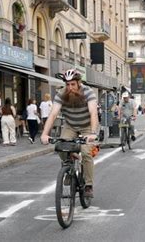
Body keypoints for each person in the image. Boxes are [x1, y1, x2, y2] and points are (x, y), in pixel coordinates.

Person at [40, 69, 98, 198]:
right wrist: (44, 134)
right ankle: (68, 168)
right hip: (70, 125)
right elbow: (53, 114)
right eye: (67, 84)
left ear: (79, 83)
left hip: (87, 126)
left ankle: (88, 185)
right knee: (61, 146)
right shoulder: (61, 94)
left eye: (73, 84)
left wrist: (93, 133)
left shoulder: (88, 92)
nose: (70, 88)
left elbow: (93, 112)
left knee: (86, 152)